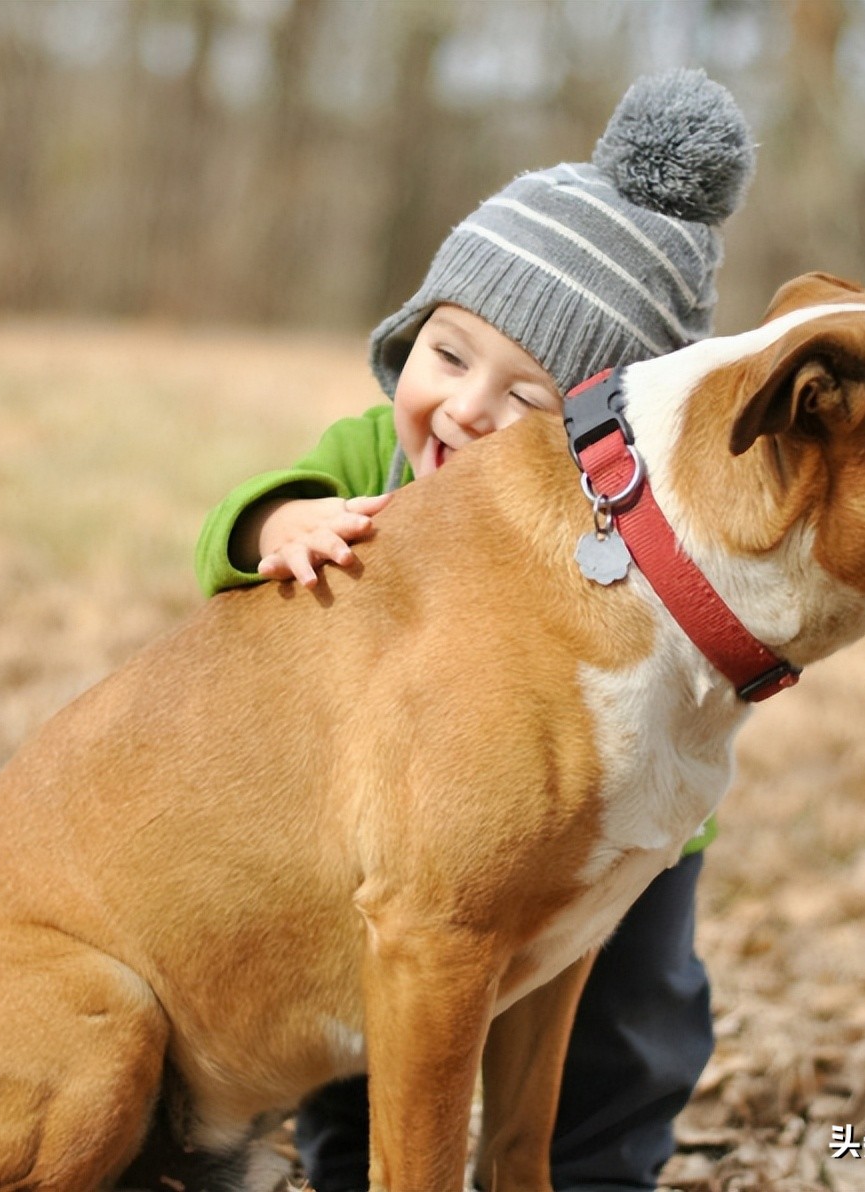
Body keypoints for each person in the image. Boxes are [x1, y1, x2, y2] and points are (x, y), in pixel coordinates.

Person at [196, 68, 755, 1192]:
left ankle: (596, 1173)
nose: (464, 406)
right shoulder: (372, 459)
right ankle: (356, 1165)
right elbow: (230, 539)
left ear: (599, 439)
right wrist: (280, 522)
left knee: (628, 1027)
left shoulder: (619, 533)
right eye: (448, 355)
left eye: (528, 397)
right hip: (386, 827)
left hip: (609, 827)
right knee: (378, 1011)